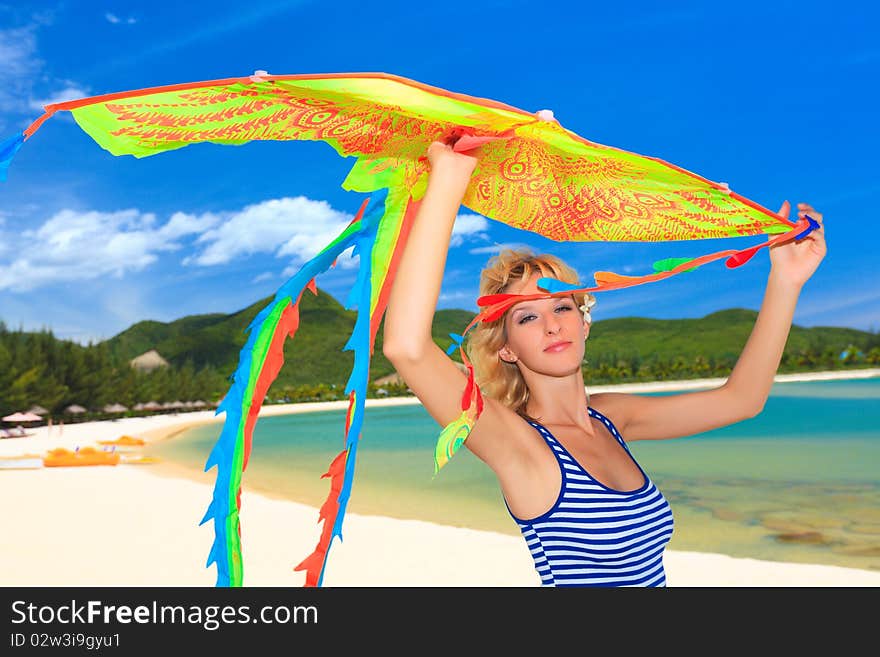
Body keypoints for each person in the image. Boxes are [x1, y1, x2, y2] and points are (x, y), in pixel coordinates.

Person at [382, 138, 827, 587]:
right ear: (507, 349)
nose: (553, 325)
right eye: (528, 317)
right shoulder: (519, 445)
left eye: (561, 307)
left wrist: (786, 281)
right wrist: (450, 181)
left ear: (584, 321)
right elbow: (407, 348)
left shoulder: (611, 418)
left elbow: (742, 400)